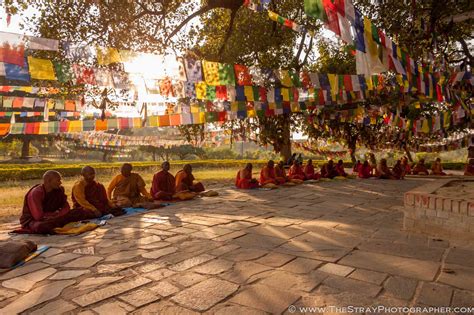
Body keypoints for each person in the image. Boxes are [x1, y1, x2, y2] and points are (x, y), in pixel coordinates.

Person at [20, 171, 95, 234]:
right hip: (36, 221)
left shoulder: (59, 190)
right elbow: (38, 216)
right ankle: (61, 223)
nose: (60, 183)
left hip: (55, 217)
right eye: (58, 180)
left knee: (80, 211)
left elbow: (66, 207)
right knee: (41, 226)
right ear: (48, 181)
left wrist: (58, 214)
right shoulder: (36, 193)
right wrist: (56, 215)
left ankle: (59, 223)